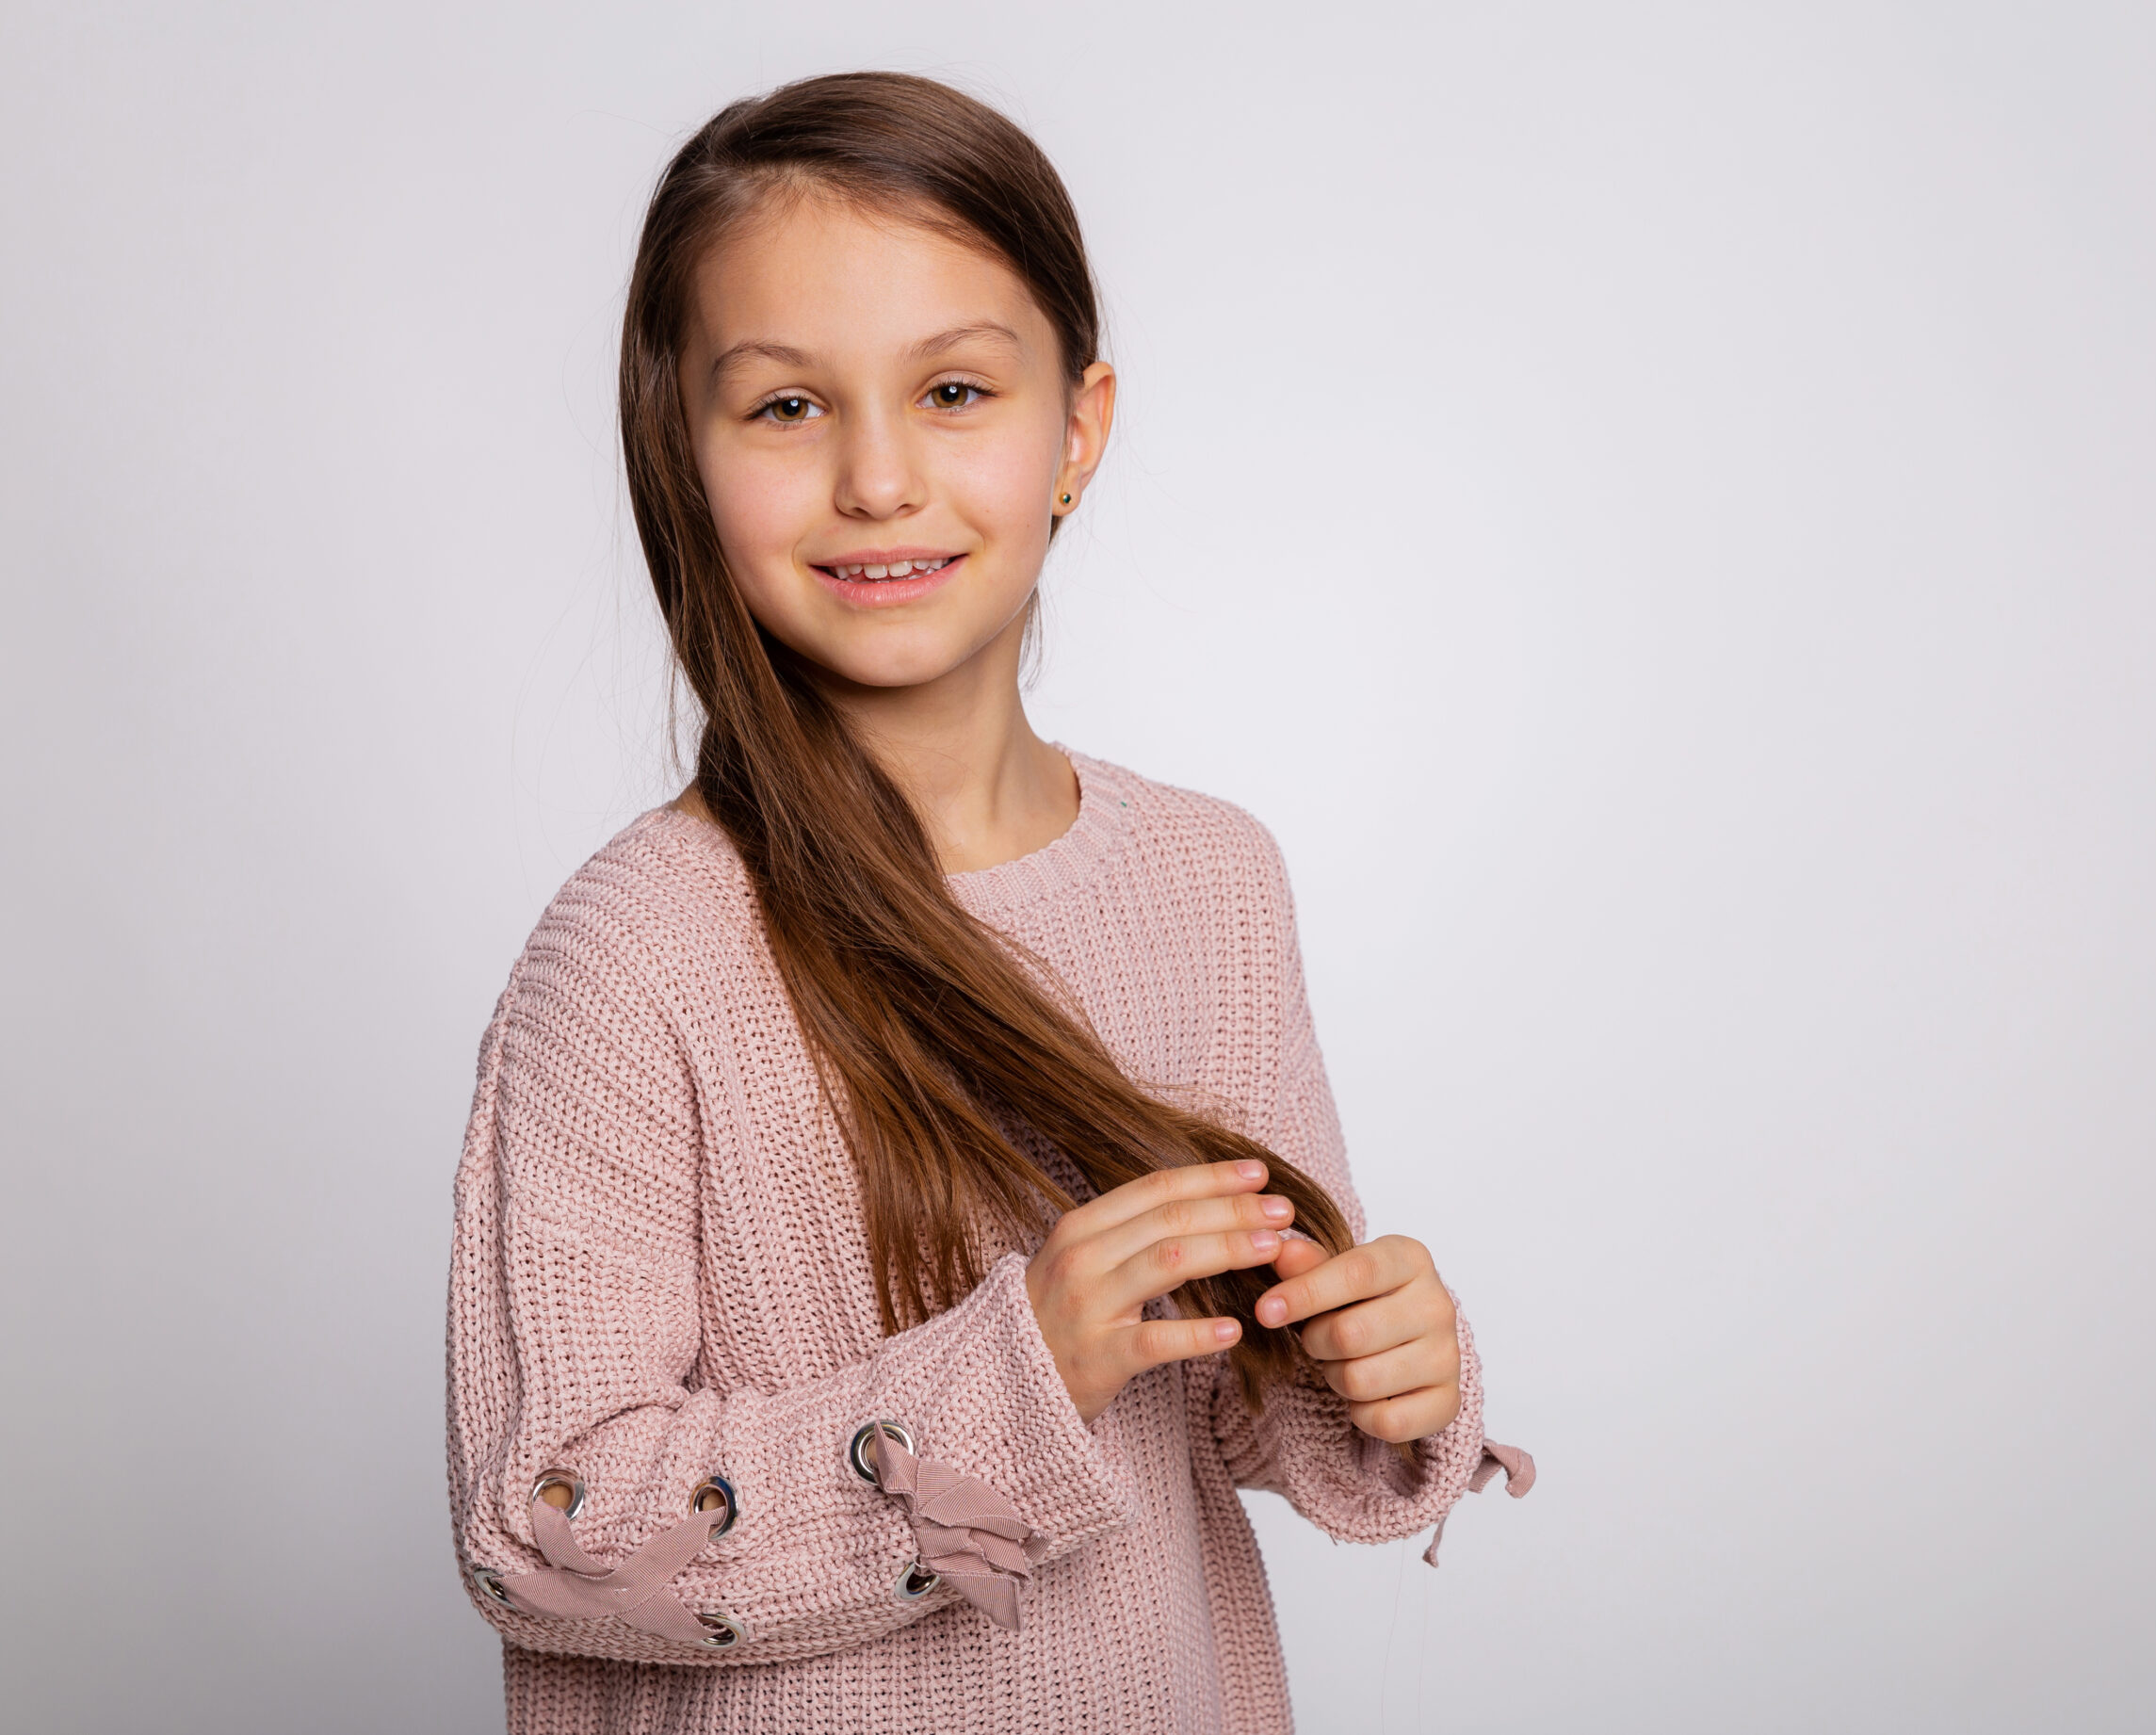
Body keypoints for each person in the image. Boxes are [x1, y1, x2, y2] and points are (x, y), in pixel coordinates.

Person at [446, 71, 1532, 1735]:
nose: (880, 478)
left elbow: (1238, 1407)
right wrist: (1012, 1372)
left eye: (954, 389)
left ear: (1077, 431)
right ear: (682, 449)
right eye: (787, 406)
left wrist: (1370, 1366)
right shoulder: (636, 952)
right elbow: (544, 1533)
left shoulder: (1211, 880)